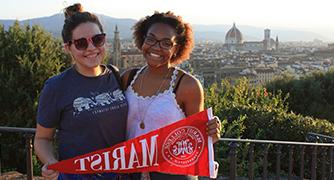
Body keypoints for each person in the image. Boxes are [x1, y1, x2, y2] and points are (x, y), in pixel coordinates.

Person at [121, 11, 221, 180]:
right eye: (151, 38)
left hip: (172, 175)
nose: (155, 47)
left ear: (177, 48)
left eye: (166, 43)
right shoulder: (128, 78)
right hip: (130, 172)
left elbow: (198, 140)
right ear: (142, 39)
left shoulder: (187, 85)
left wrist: (212, 132)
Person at [34, 3, 128, 180]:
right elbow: (42, 139)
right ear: (68, 48)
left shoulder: (116, 75)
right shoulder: (56, 87)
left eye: (97, 39)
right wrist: (52, 163)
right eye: (81, 43)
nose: (91, 48)